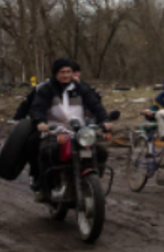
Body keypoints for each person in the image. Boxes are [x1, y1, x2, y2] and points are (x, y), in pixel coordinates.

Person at [26, 58, 112, 201]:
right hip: (54, 130)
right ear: (55, 73)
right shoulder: (46, 89)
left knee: (100, 151)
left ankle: (93, 179)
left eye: (68, 72)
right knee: (48, 152)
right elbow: (37, 108)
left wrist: (105, 120)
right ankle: (44, 186)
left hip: (80, 131)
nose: (66, 75)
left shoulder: (82, 88)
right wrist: (40, 122)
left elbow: (96, 105)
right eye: (62, 72)